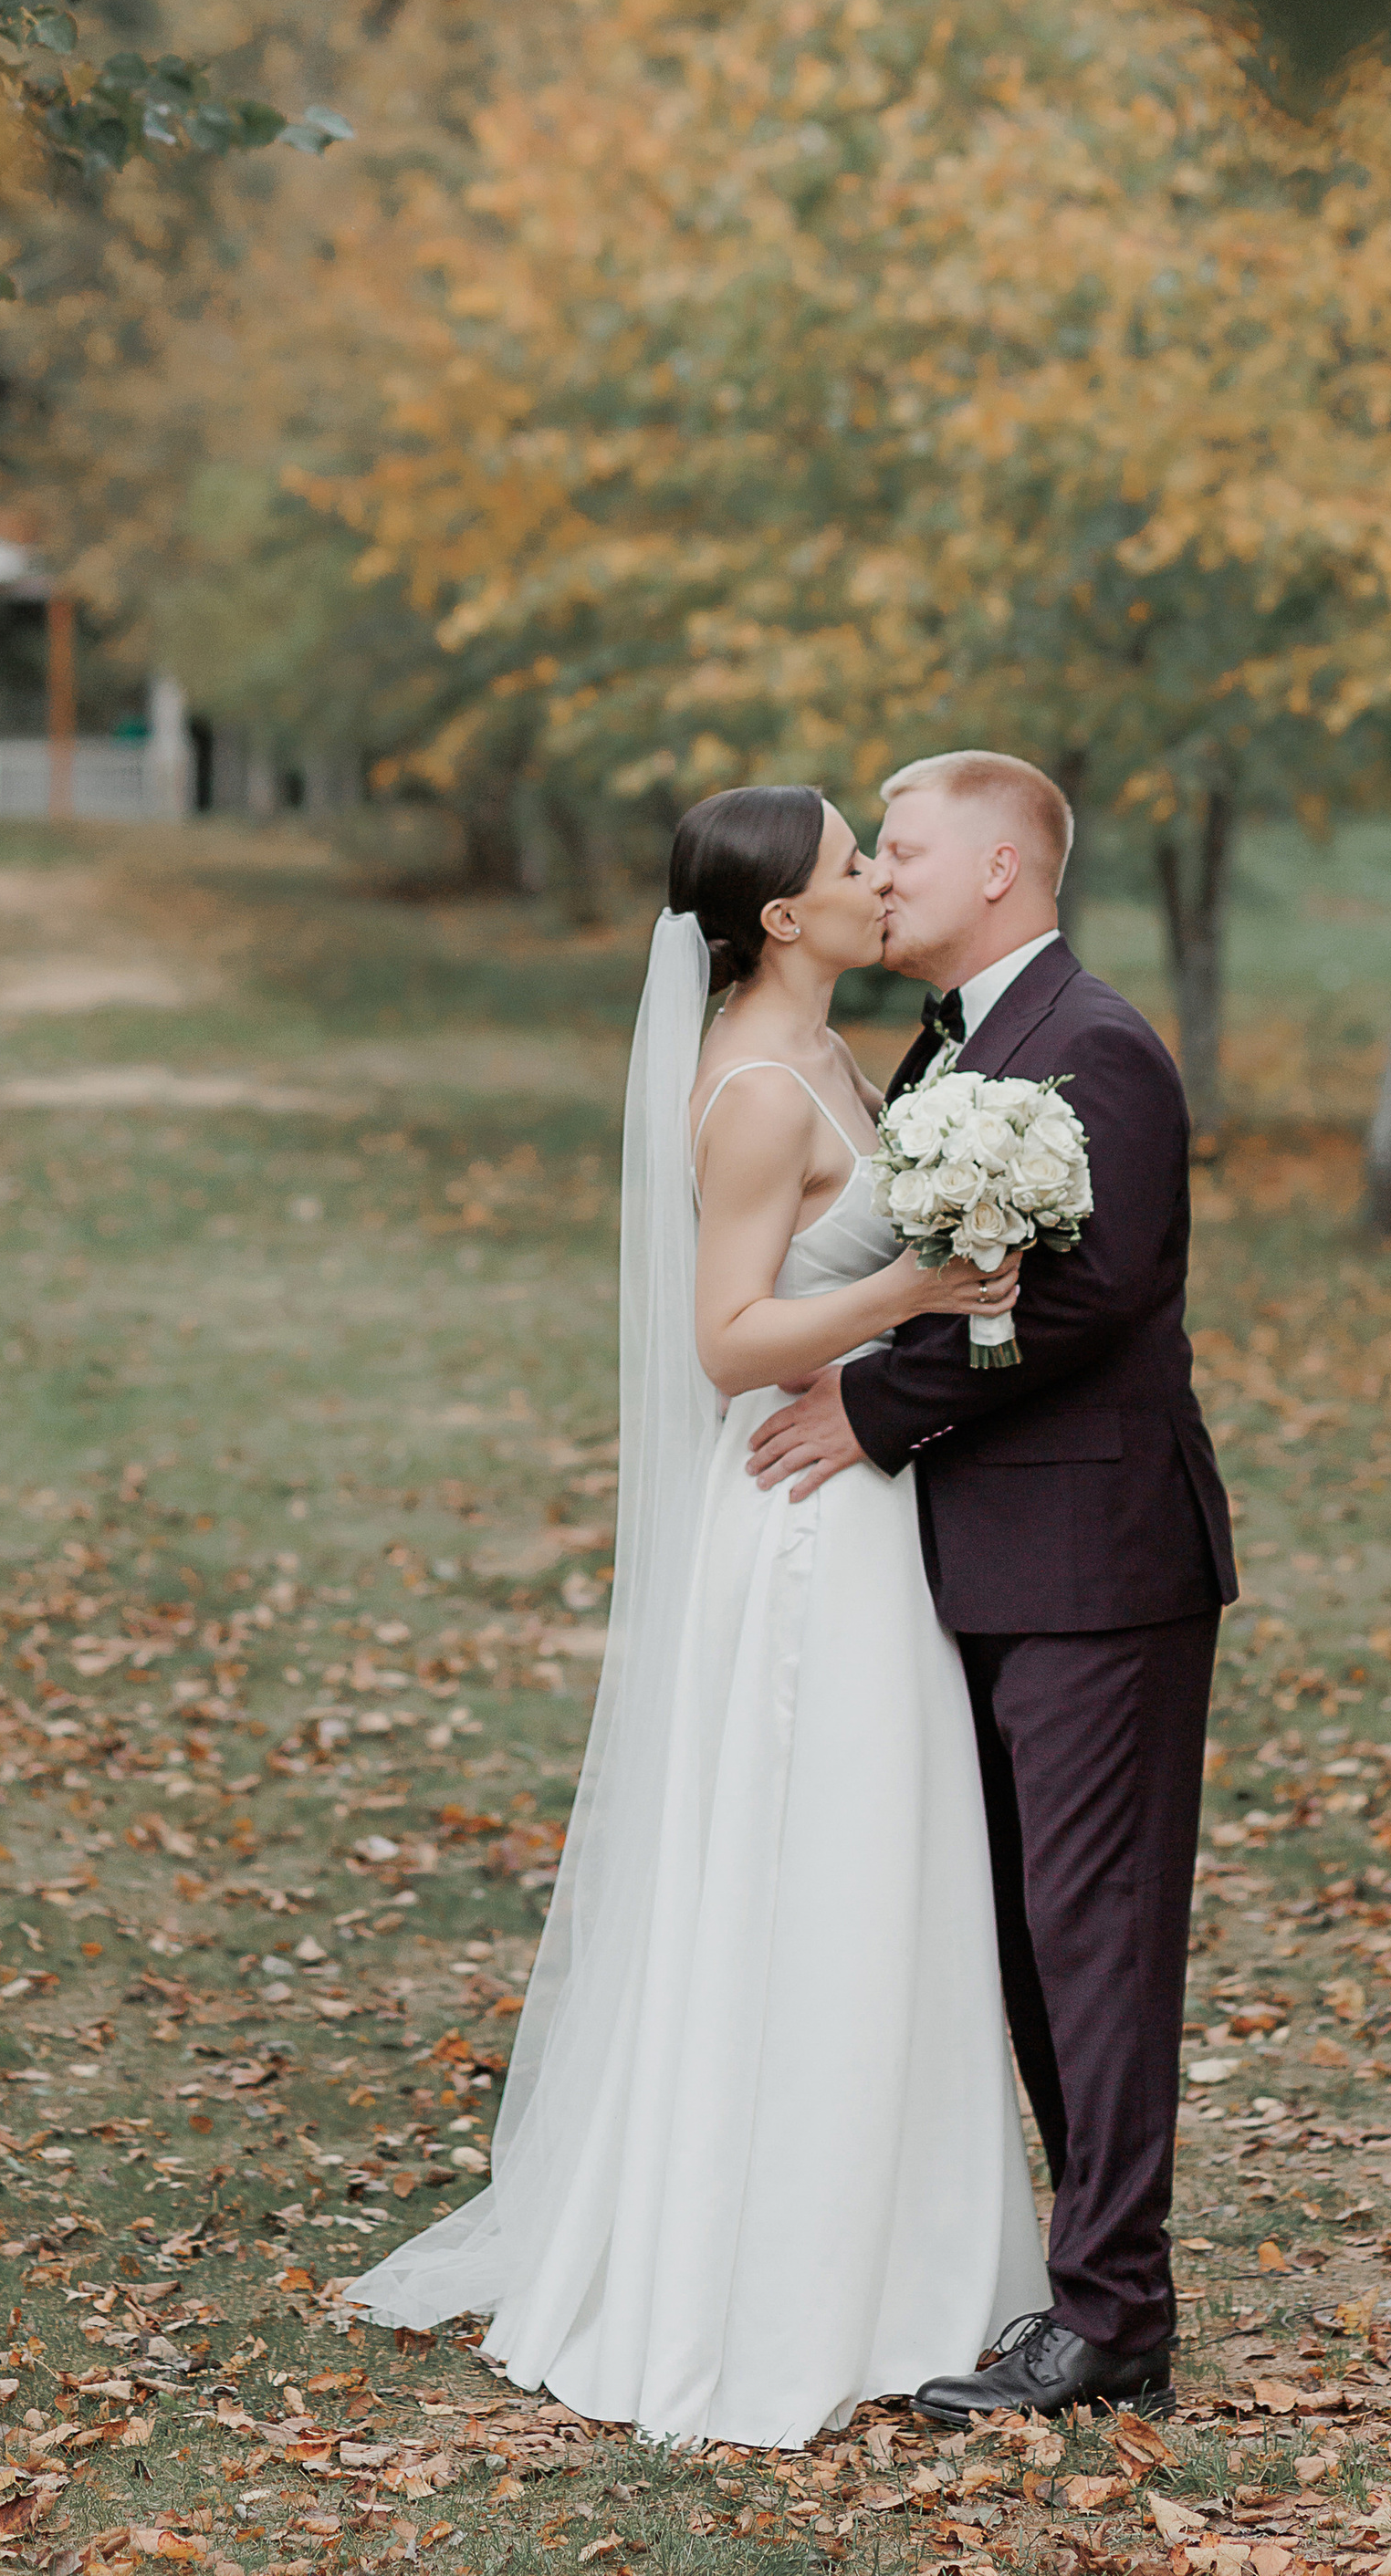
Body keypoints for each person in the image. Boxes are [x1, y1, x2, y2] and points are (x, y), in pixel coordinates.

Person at [344, 783, 1047, 2446]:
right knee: (814, 1861)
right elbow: (726, 1338)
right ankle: (778, 2281)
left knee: (887, 1862)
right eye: (849, 865)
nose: (880, 881)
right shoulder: (747, 1085)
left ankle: (910, 2260)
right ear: (785, 921)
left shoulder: (832, 1051)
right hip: (801, 1521)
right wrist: (918, 1289)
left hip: (864, 1503)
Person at [748, 749, 1238, 2425]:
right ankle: (1079, 2283)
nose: (882, 876)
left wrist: (874, 1403)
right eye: (871, 854)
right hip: (982, 1560)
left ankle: (1115, 2319)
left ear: (1005, 872)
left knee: (1093, 1944)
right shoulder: (952, 1043)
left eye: (905, 848)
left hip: (1099, 1563)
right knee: (1028, 1946)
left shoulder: (1094, 1047)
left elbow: (1092, 1298)